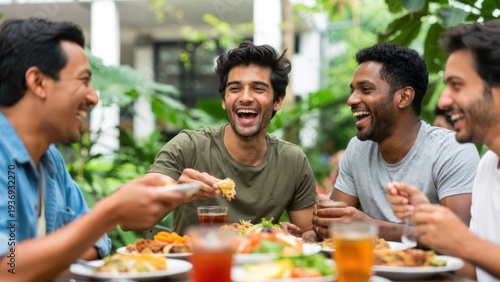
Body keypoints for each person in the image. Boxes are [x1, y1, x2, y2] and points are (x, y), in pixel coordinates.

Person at [0, 18, 187, 282]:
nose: (94, 98)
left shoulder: (49, 160)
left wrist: (41, 261)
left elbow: (98, 242)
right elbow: (7, 271)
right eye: (84, 81)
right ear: (38, 82)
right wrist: (110, 212)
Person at [145, 41, 317, 239]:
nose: (245, 97)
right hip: (193, 267)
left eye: (258, 89)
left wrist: (288, 237)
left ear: (277, 101)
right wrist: (177, 191)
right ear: (224, 100)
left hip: (260, 267)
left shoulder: (292, 160)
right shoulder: (188, 147)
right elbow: (129, 219)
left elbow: (309, 234)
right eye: (235, 89)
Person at [312, 43, 479, 242]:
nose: (351, 100)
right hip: (370, 269)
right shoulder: (358, 149)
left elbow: (459, 236)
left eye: (365, 89)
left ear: (404, 97)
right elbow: (333, 227)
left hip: (436, 272)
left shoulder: (452, 150)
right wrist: (320, 224)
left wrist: (372, 228)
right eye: (352, 91)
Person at [387, 20, 500, 281]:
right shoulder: (487, 165)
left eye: (456, 85)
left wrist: (464, 242)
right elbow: (480, 272)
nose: (443, 100)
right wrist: (429, 221)